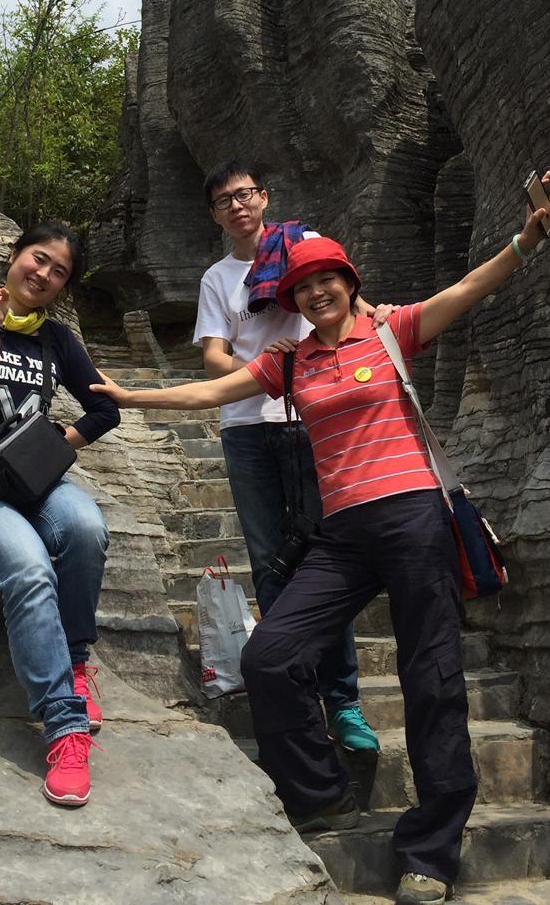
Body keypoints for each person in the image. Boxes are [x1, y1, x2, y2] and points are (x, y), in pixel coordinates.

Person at [92, 176, 550, 905]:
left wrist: (523, 243)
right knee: (270, 656)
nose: (316, 292)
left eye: (327, 280)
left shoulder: (392, 329)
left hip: (413, 519)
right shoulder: (290, 360)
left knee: (432, 679)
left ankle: (431, 853)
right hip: (342, 532)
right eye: (303, 286)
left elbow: (468, 289)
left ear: (349, 283)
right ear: (293, 298)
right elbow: (209, 391)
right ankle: (319, 794)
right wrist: (130, 395)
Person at [193, 161, 379, 752]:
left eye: (245, 194)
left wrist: (373, 320)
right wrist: (267, 368)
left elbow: (351, 305)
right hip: (247, 427)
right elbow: (214, 359)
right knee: (271, 564)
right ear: (214, 215)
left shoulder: (303, 245)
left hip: (312, 420)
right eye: (224, 201)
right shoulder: (217, 279)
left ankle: (344, 702)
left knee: (326, 561)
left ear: (265, 197)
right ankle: (295, 697)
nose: (237, 206)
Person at [0, 221, 119, 808]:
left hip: (36, 481)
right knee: (30, 567)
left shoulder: (57, 339)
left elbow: (105, 409)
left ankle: (76, 664)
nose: (43, 274)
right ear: (14, 255)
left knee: (86, 527)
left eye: (59, 272)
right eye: (38, 259)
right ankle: (64, 730)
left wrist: (61, 441)